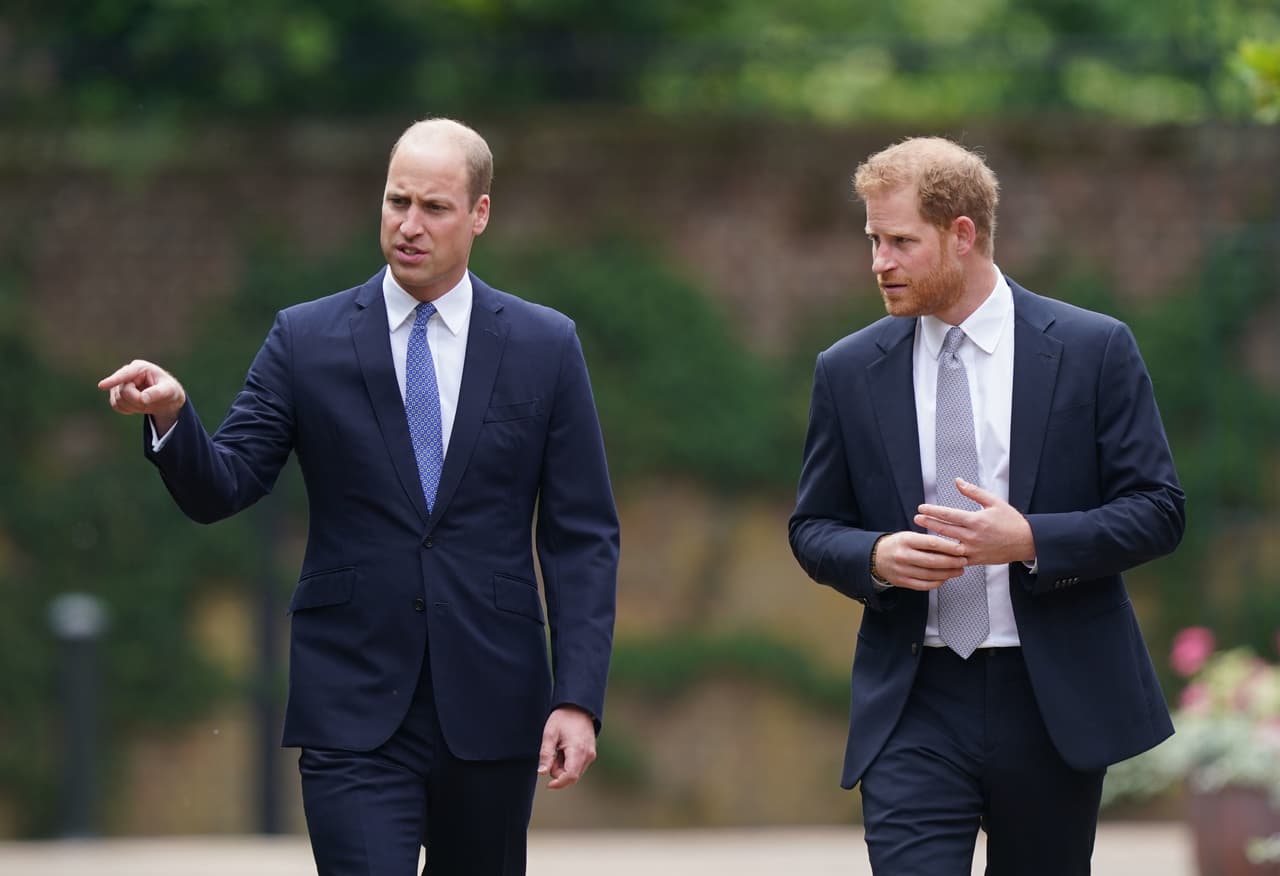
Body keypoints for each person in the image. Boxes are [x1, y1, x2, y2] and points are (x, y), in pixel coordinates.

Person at [99, 118, 619, 876]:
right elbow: (226, 484)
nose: (409, 225)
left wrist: (576, 696)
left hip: (494, 700)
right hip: (352, 704)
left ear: (479, 214)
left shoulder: (546, 346)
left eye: (434, 208)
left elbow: (581, 537)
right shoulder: (304, 339)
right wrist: (173, 419)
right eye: (395, 201)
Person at [788, 137, 1184, 875]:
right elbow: (812, 528)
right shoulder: (846, 370)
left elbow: (1159, 509)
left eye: (901, 241)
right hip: (915, 696)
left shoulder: (1094, 349)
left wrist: (1030, 538)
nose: (879, 260)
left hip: (1052, 698)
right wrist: (875, 557)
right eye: (873, 239)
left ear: (962, 234)